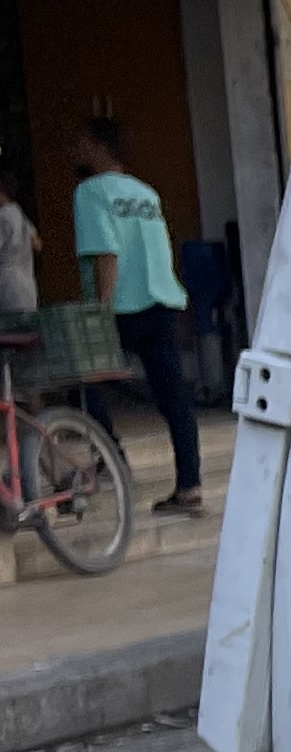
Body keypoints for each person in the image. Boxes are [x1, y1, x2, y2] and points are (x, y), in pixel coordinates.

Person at [73, 117, 202, 514]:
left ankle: (110, 456)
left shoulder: (90, 192)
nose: (75, 151)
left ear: (97, 146)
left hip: (120, 307)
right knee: (174, 397)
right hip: (160, 300)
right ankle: (190, 487)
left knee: (82, 380)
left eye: (80, 143)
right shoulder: (146, 193)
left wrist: (100, 310)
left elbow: (106, 254)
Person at [0, 170, 34, 326]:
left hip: (8, 282)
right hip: (27, 280)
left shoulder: (3, 216)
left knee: (11, 332)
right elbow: (37, 243)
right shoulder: (18, 213)